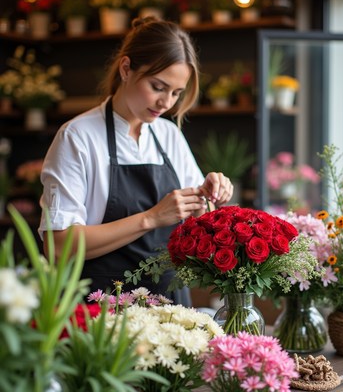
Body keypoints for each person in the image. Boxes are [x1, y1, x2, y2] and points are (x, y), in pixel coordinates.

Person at [38, 17, 234, 306]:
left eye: (176, 93)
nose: (166, 103)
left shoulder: (168, 136)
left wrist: (209, 195)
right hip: (101, 310)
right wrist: (151, 217)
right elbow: (57, 247)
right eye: (158, 87)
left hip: (171, 309)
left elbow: (198, 221)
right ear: (126, 68)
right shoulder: (78, 137)